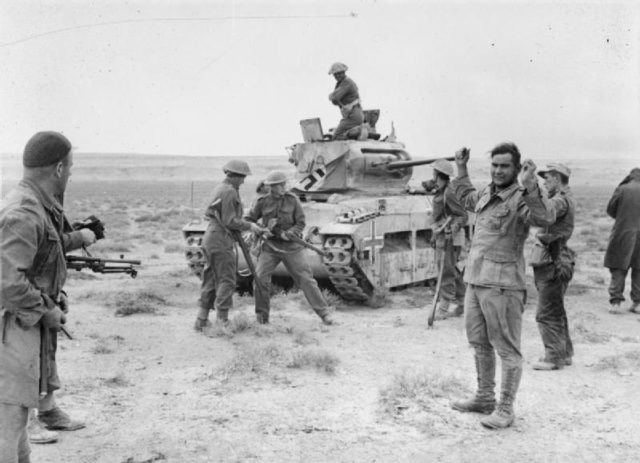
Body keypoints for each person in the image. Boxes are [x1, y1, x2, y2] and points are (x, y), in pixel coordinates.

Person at [1, 131, 97, 461]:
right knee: (9, 424)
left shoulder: (37, 206)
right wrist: (46, 310)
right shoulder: (24, 212)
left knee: (17, 429)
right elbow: (8, 282)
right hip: (12, 328)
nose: (70, 174)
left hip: (20, 324)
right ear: (58, 169)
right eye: (69, 167)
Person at [449, 142, 555, 430]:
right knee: (479, 343)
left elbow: (545, 218)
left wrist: (531, 185)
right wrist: (461, 168)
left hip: (503, 285)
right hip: (476, 279)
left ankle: (505, 409)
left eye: (504, 166)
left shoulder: (521, 197)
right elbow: (466, 198)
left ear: (516, 168)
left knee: (507, 349)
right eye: (494, 165)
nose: (498, 170)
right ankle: (484, 398)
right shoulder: (487, 192)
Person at [246, 170, 335, 325]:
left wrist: (290, 233)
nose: (283, 187)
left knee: (307, 280)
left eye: (283, 184)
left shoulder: (293, 200)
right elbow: (249, 218)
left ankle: (324, 313)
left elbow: (300, 222)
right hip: (270, 247)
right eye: (279, 185)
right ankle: (262, 318)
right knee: (260, 280)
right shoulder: (262, 202)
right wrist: (258, 227)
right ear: (271, 187)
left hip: (292, 247)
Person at [195, 160, 265, 330]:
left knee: (211, 279)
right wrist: (250, 226)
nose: (243, 181)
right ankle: (222, 321)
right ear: (236, 176)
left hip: (212, 236)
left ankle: (201, 320)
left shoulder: (221, 188)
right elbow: (229, 220)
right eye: (242, 177)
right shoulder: (229, 192)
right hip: (220, 238)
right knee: (227, 279)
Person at [528, 163, 576, 370]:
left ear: (557, 178)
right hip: (558, 257)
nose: (545, 182)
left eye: (547, 178)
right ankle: (563, 353)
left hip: (553, 260)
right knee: (556, 309)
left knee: (546, 313)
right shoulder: (565, 198)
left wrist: (530, 189)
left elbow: (544, 213)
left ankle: (554, 357)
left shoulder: (560, 200)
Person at [422, 159, 468, 319]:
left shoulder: (449, 192)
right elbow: (437, 217)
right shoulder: (441, 190)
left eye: (434, 172)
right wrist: (434, 236)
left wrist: (452, 229)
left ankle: (444, 306)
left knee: (446, 272)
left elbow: (462, 215)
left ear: (438, 174)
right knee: (452, 270)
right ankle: (463, 302)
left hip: (450, 239)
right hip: (442, 237)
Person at [604, 167, 640, 315]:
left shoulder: (623, 189)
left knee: (618, 267)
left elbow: (610, 209)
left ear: (630, 177)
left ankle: (616, 302)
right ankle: (637, 303)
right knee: (639, 269)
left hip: (622, 233)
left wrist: (622, 217)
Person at [327, 62, 364, 140]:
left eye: (339, 73)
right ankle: (357, 133)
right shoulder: (341, 83)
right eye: (335, 74)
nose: (337, 76)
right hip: (351, 115)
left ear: (344, 73)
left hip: (353, 116)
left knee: (337, 135)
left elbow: (335, 97)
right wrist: (333, 97)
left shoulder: (347, 82)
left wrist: (332, 96)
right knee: (342, 134)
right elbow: (334, 101)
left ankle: (360, 132)